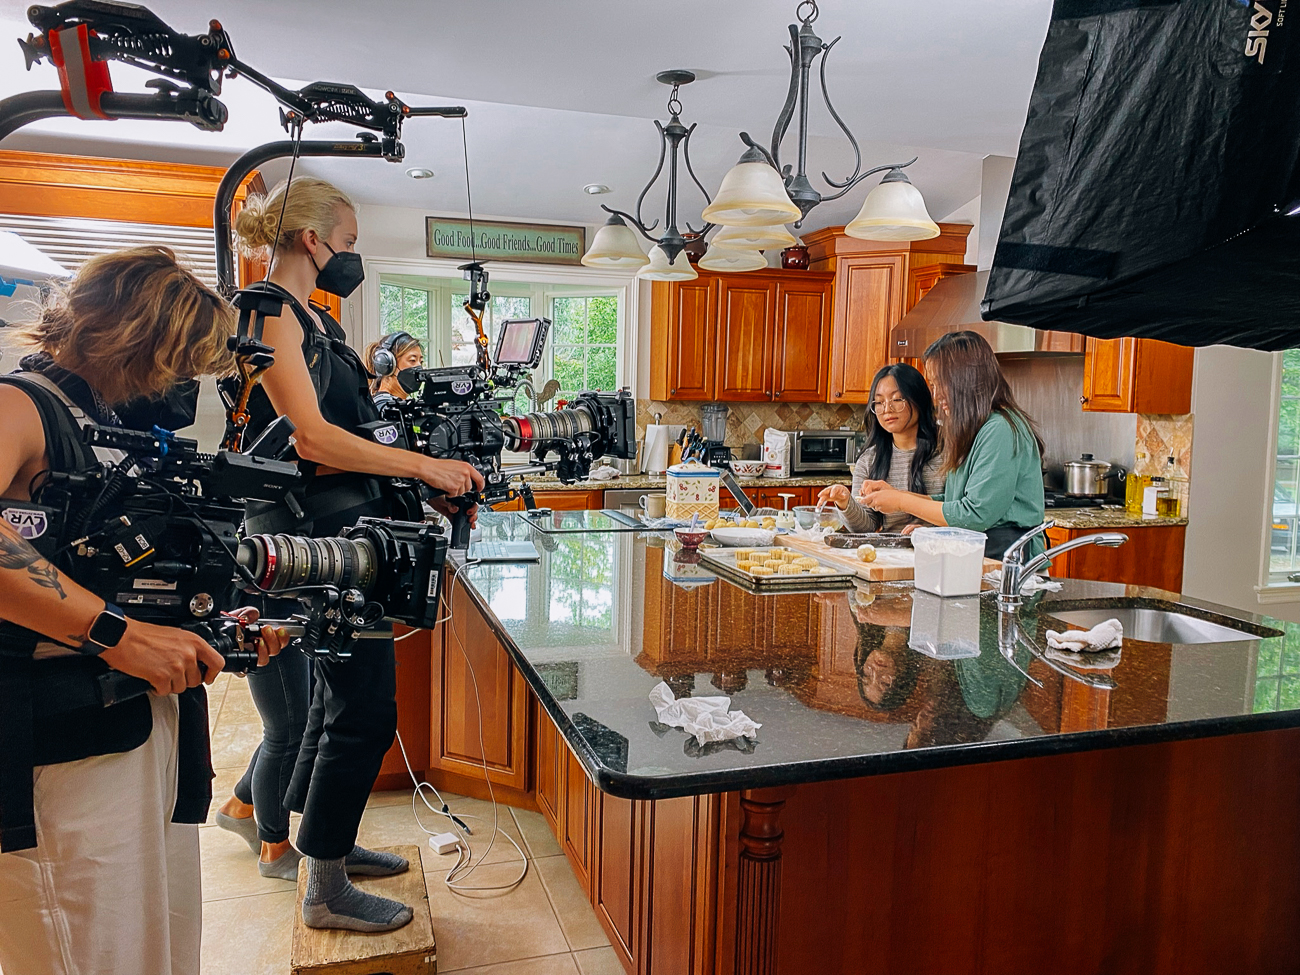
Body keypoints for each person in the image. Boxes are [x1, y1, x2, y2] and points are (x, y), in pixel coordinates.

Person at [0, 246, 285, 975]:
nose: (175, 384)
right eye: (172, 362)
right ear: (127, 335)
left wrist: (209, 629)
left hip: (135, 720)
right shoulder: (19, 404)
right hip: (59, 737)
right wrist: (119, 636)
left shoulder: (102, 427)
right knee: (89, 946)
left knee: (156, 938)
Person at [216, 176, 481, 933]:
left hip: (349, 534)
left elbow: (359, 442)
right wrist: (426, 468)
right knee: (363, 712)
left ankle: (324, 848)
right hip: (311, 544)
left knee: (339, 708)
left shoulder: (319, 324)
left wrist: (424, 485)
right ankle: (325, 888)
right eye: (350, 242)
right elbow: (312, 439)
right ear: (313, 239)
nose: (351, 255)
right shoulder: (267, 312)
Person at [859, 331, 1047, 560]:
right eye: (933, 385)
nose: (936, 395)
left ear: (967, 379)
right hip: (984, 558)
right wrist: (898, 496)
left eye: (942, 383)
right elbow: (954, 502)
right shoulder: (977, 428)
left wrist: (901, 501)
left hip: (1008, 563)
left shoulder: (1000, 429)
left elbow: (974, 515)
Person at [816, 363, 943, 533]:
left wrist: (932, 533)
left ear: (919, 400)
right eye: (879, 402)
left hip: (938, 546)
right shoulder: (869, 459)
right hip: (888, 548)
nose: (887, 409)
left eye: (897, 399)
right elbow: (866, 527)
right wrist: (845, 503)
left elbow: (961, 512)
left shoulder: (948, 452)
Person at [364, 330, 424, 410]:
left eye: (421, 362)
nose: (419, 366)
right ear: (387, 364)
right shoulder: (383, 407)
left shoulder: (402, 404)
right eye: (412, 360)